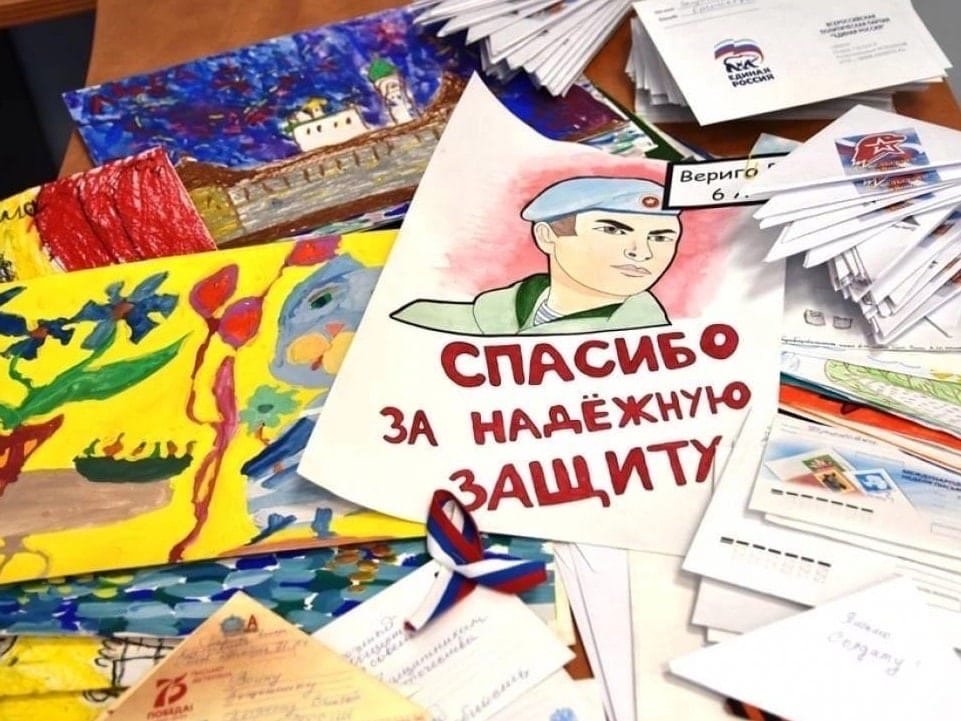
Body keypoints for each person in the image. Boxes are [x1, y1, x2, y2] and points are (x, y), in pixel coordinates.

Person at [391, 176, 683, 335]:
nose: (641, 252)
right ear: (547, 236)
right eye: (613, 230)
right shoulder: (432, 321)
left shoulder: (656, 337)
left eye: (660, 238)